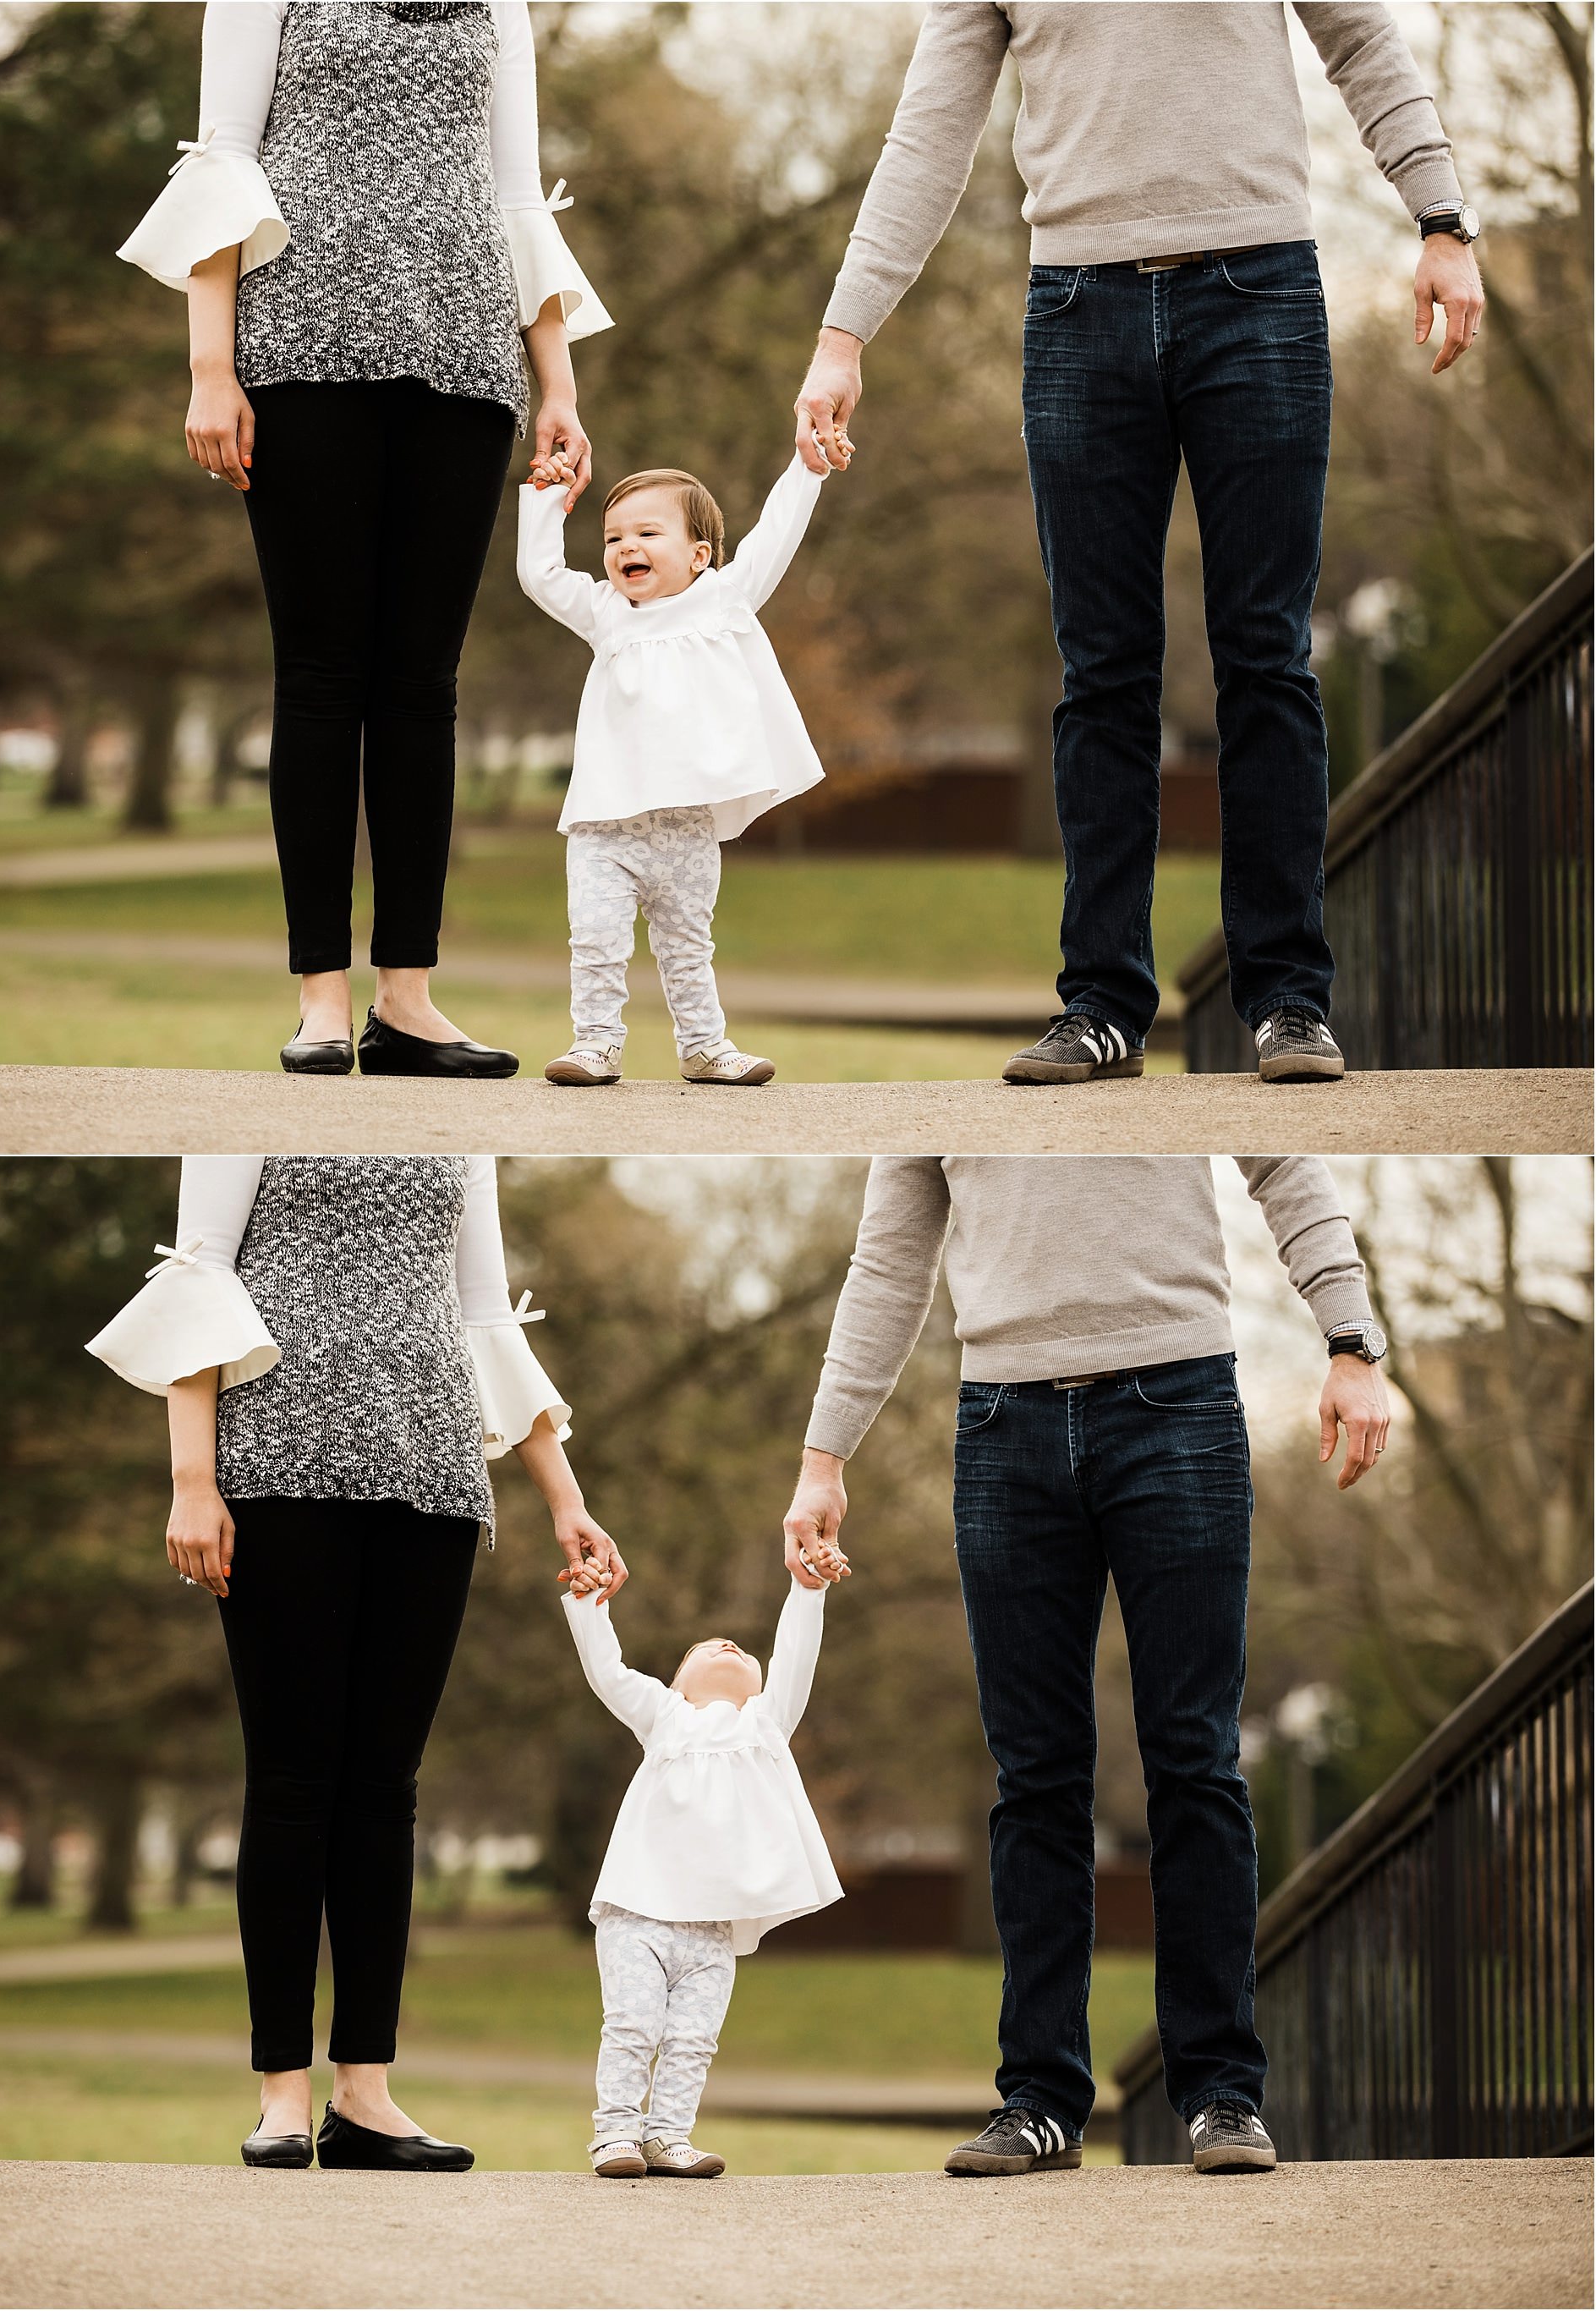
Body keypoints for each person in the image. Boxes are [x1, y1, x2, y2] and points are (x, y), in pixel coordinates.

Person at [793, 4, 1483, 1086]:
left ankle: (1287, 1001)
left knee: (1263, 652)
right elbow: (928, 130)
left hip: (1258, 291)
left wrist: (1439, 219)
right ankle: (1102, 1003)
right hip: (1076, 307)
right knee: (1101, 667)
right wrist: (844, 334)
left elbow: (1359, 38)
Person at [782, 1156, 1392, 2176]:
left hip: (1177, 1407)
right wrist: (822, 1457)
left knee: (1193, 1759)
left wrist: (1348, 1336)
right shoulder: (939, 1083)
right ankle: (1040, 2096)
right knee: (1034, 1778)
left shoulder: (1137, 1021)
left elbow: (1283, 1156)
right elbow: (887, 1262)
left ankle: (1219, 2093)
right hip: (998, 1426)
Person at [87, 1155, 626, 2172]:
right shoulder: (251, 1112)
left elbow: (483, 1311)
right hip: (277, 1468)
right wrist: (191, 1479)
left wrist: (564, 1494)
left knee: (384, 1790)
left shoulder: (458, 1123)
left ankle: (364, 2093)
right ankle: (281, 2095)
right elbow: (198, 1271)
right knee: (294, 1782)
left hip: (435, 1480)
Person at [118, 2, 612, 1079]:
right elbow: (224, 161)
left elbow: (515, 191)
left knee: (422, 682)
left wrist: (558, 380)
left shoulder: (497, 7)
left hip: (467, 359)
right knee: (322, 673)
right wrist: (211, 366)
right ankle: (320, 1002)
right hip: (298, 349)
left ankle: (408, 999)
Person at [516, 444, 842, 1085]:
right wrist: (548, 496)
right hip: (603, 826)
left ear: (699, 555)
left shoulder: (724, 600)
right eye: (613, 537)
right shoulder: (605, 614)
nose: (624, 547)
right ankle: (596, 1043)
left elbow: (776, 536)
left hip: (685, 827)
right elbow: (539, 574)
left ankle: (704, 1045)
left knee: (688, 946)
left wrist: (808, 466)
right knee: (597, 941)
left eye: (646, 533)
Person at [560, 1557, 844, 2175]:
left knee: (693, 2040)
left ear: (760, 1683)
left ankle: (667, 2136)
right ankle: (615, 2133)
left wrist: (807, 1587)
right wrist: (590, 1604)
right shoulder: (664, 1718)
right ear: (678, 1681)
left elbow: (797, 1656)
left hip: (712, 1929)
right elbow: (607, 1673)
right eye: (707, 1647)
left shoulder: (767, 1725)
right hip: (638, 1914)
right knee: (632, 2026)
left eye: (741, 1650)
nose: (728, 1645)